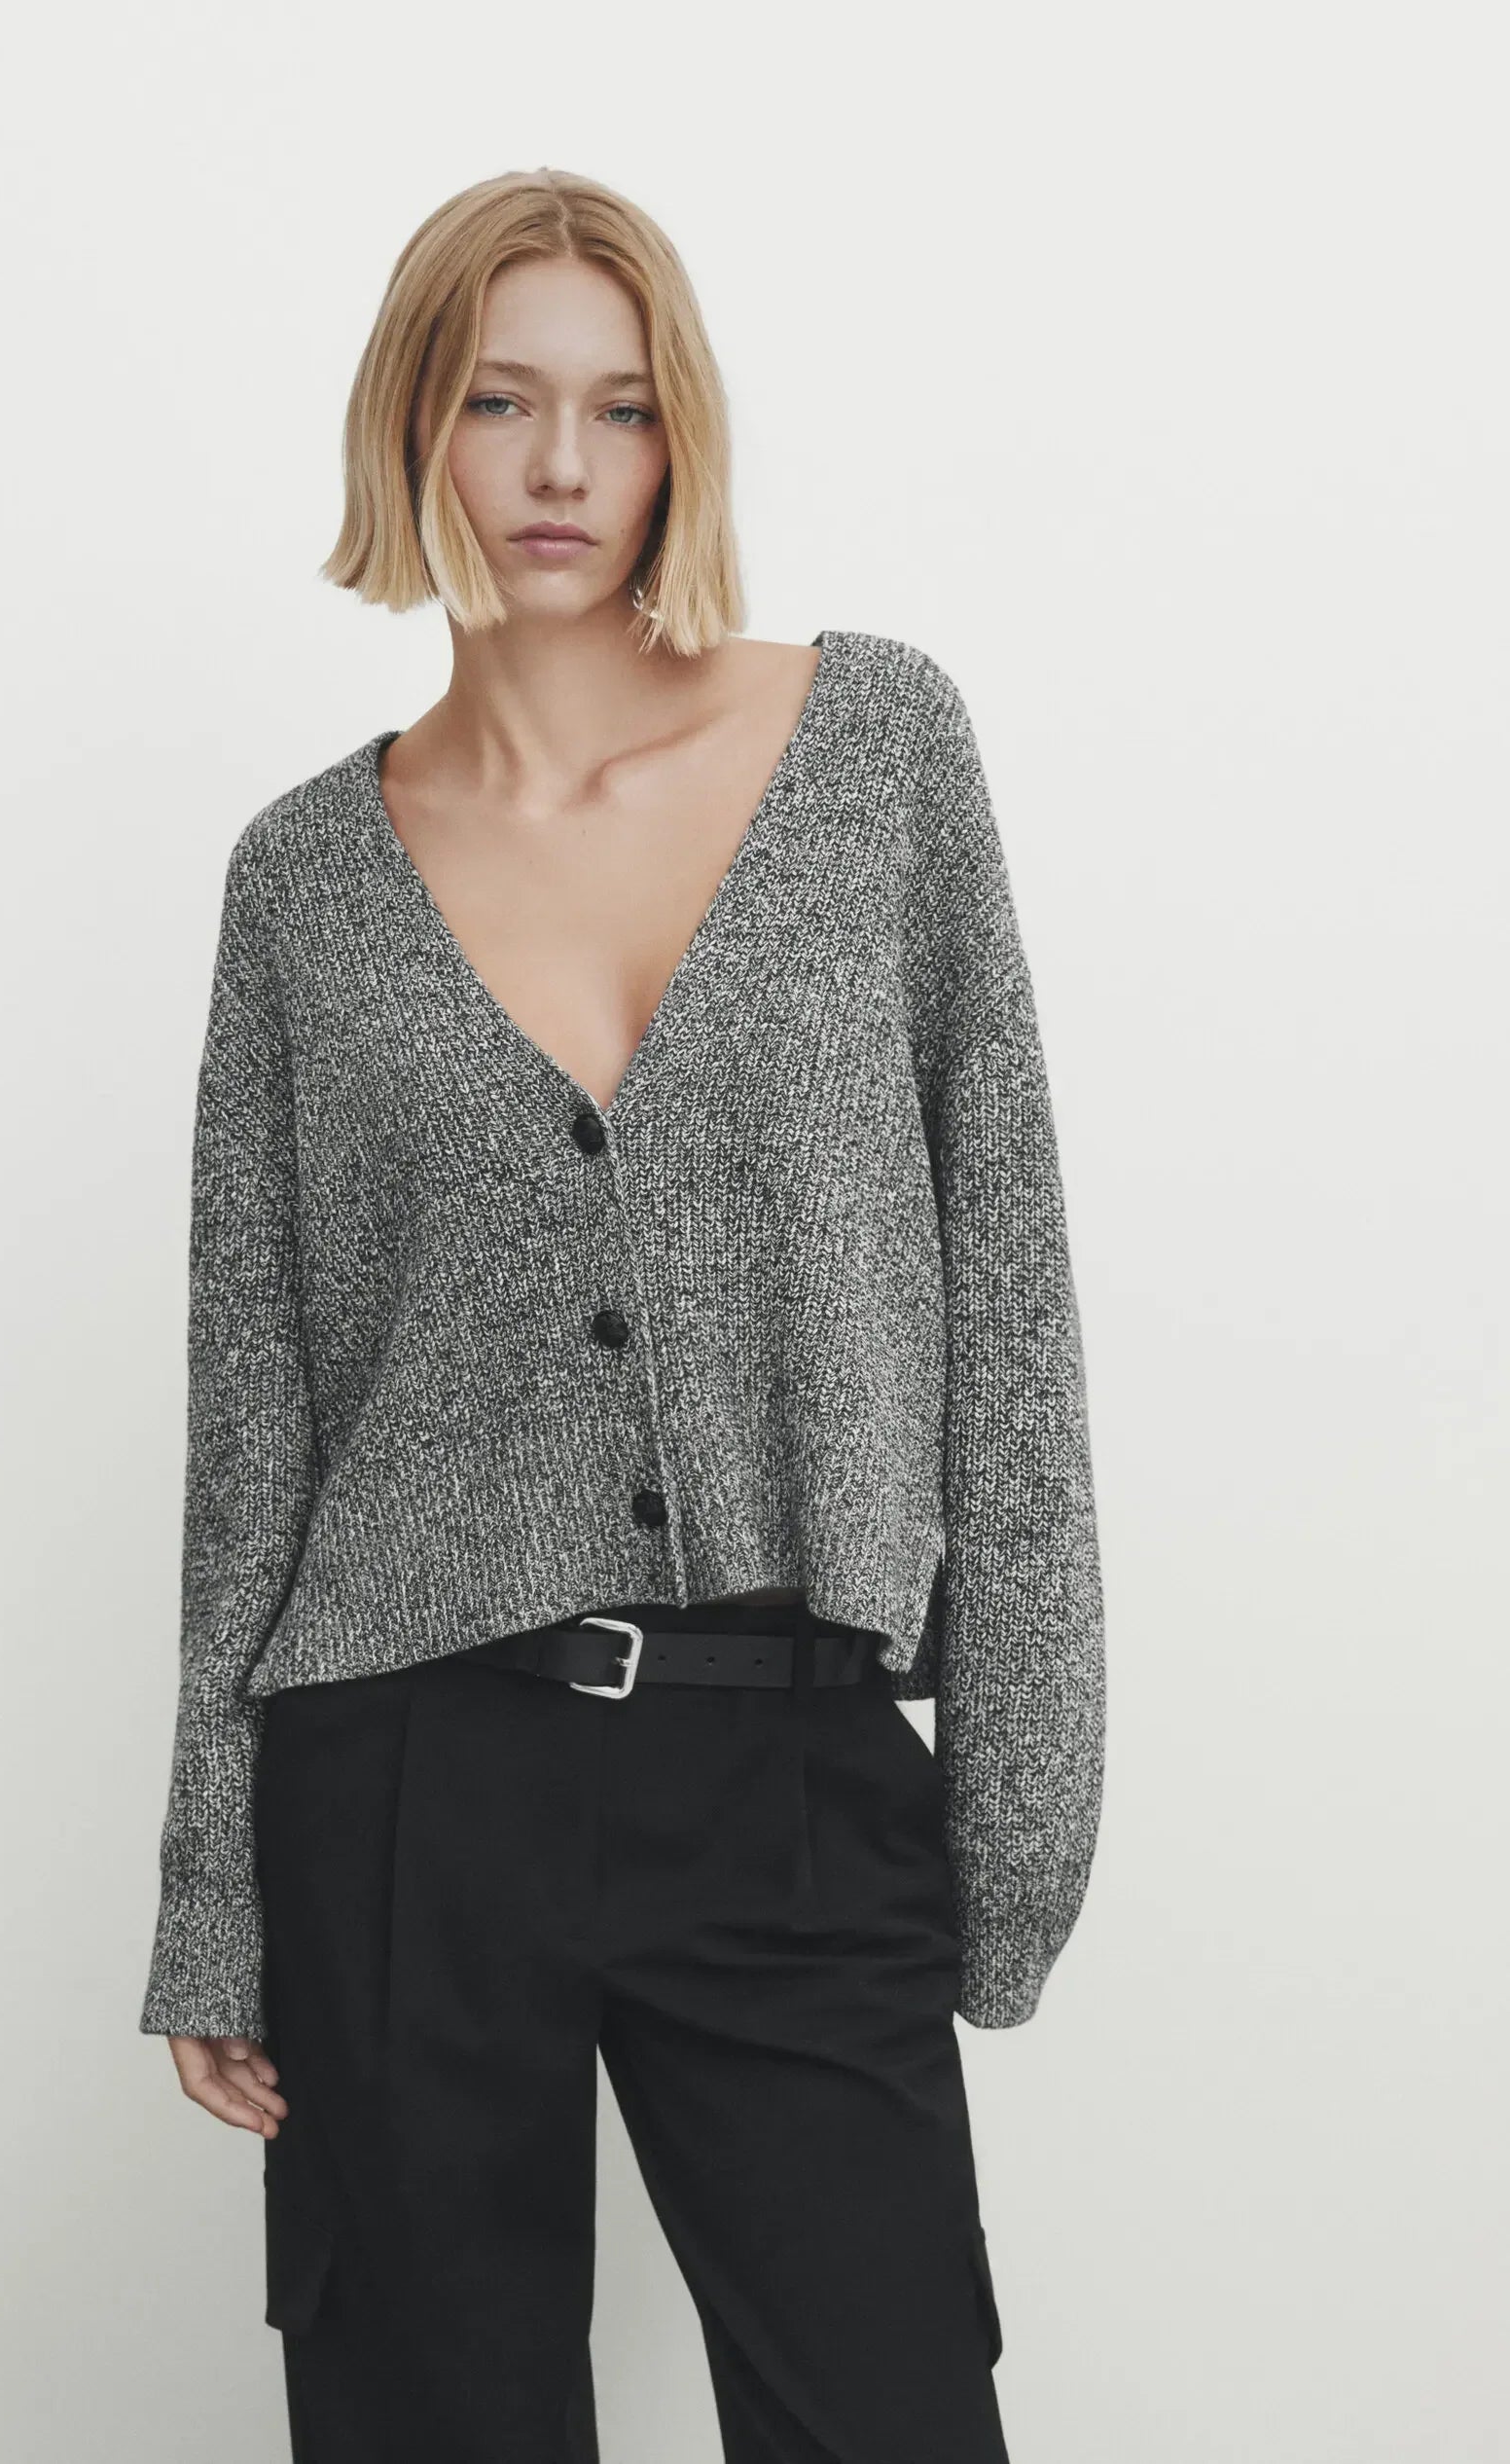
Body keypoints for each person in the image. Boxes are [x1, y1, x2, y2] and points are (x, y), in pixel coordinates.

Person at [137, 164, 1105, 2464]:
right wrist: (210, 1900)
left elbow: (1008, 1295)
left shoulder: (874, 752)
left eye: (619, 405)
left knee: (887, 2413)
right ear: (412, 428)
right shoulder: (301, 882)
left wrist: (1022, 1797)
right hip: (402, 1789)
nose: (559, 466)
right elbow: (254, 1410)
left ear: (684, 440)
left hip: (787, 1757)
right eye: (498, 402)